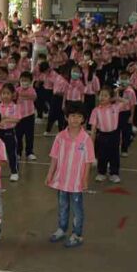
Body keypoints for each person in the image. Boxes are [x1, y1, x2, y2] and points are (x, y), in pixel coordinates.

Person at [46, 106, 94, 248]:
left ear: (83, 119)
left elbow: (88, 161)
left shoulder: (86, 139)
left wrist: (85, 179)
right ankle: (62, 229)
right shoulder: (60, 137)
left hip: (76, 182)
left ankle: (77, 234)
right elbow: (54, 157)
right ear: (66, 117)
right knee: (63, 206)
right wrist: (50, 174)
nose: (75, 119)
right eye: (72, 116)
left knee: (77, 209)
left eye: (79, 116)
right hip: (62, 180)